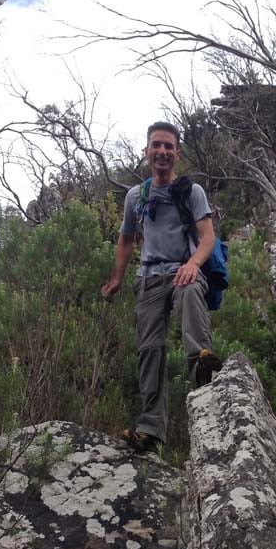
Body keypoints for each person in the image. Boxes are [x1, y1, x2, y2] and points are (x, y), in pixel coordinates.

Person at [102, 122, 221, 454]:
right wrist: (116, 278)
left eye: (169, 146)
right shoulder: (135, 196)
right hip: (149, 278)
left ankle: (201, 362)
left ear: (177, 153)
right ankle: (151, 430)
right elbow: (126, 239)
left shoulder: (191, 192)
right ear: (147, 151)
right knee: (149, 350)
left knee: (190, 288)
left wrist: (193, 263)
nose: (162, 152)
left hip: (183, 268)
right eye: (157, 145)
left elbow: (207, 236)